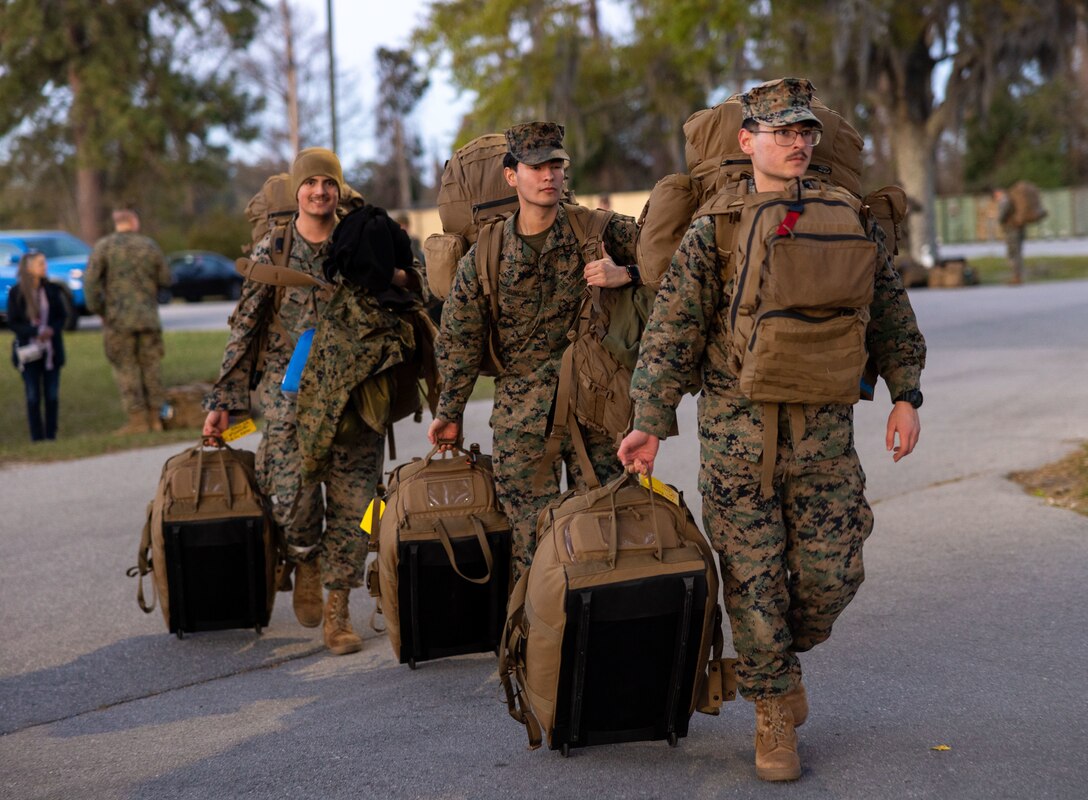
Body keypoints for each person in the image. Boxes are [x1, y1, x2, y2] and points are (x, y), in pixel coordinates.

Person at [617, 78, 926, 782]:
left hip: (825, 442)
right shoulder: (715, 230)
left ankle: (779, 664)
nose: (797, 142)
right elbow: (670, 333)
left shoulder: (848, 218)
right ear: (746, 140)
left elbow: (890, 312)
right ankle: (772, 711)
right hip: (737, 443)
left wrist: (905, 395)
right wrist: (650, 422)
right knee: (753, 589)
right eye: (781, 131)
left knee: (833, 575)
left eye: (805, 131)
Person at [202, 148, 422, 656]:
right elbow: (244, 329)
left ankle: (337, 608)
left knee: (356, 506)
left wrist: (386, 274)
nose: (319, 191)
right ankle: (304, 556)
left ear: (339, 190)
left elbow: (419, 284)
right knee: (289, 499)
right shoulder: (274, 250)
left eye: (328, 183)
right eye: (310, 183)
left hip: (356, 394)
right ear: (297, 190)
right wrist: (224, 401)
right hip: (290, 398)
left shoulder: (362, 234)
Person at [427, 121, 645, 579]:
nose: (549, 175)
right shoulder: (486, 253)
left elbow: (671, 259)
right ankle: (534, 623)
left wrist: (626, 274)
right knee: (529, 546)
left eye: (556, 165)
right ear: (512, 176)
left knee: (609, 535)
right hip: (522, 423)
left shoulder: (598, 230)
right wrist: (449, 411)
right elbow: (461, 338)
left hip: (596, 410)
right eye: (536, 166)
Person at [85, 207, 172, 434]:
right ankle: (156, 418)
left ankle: (137, 419)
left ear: (117, 223)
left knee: (126, 368)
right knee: (151, 366)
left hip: (118, 320)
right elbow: (166, 278)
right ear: (134, 222)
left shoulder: (104, 247)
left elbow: (91, 284)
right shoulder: (149, 246)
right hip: (148, 317)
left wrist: (100, 311)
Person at [8, 251, 67, 441]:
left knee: (52, 395)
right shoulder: (17, 293)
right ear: (29, 268)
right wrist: (35, 332)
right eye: (40, 263)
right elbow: (13, 322)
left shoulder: (52, 289)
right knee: (33, 396)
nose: (45, 266)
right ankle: (37, 437)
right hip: (29, 351)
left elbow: (61, 316)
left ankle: (51, 435)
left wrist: (51, 330)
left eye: (44, 262)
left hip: (51, 351)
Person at [993, 186, 1025, 284]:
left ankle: (1016, 276)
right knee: (1017, 252)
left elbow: (1001, 216)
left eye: (996, 195)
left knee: (1012, 253)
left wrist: (997, 219)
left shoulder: (1005, 201)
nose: (995, 197)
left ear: (999, 193)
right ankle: (1017, 276)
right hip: (1018, 229)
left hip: (1012, 230)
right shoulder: (1011, 200)